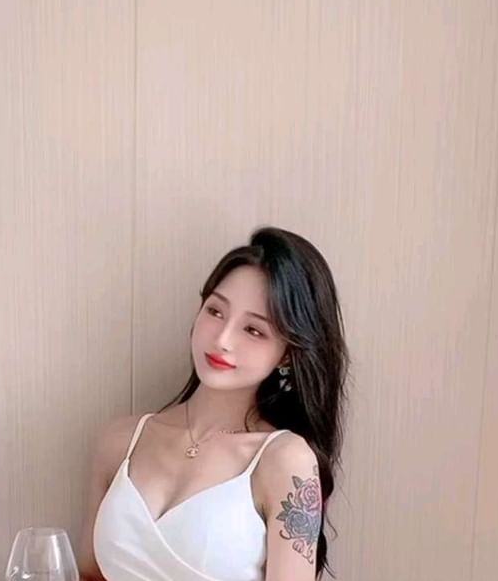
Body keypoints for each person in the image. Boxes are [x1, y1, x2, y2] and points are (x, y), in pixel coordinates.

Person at [77, 226, 349, 580]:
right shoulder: (118, 441)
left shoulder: (285, 461)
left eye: (253, 330)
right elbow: (89, 574)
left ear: (287, 354)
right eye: (216, 311)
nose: (222, 339)